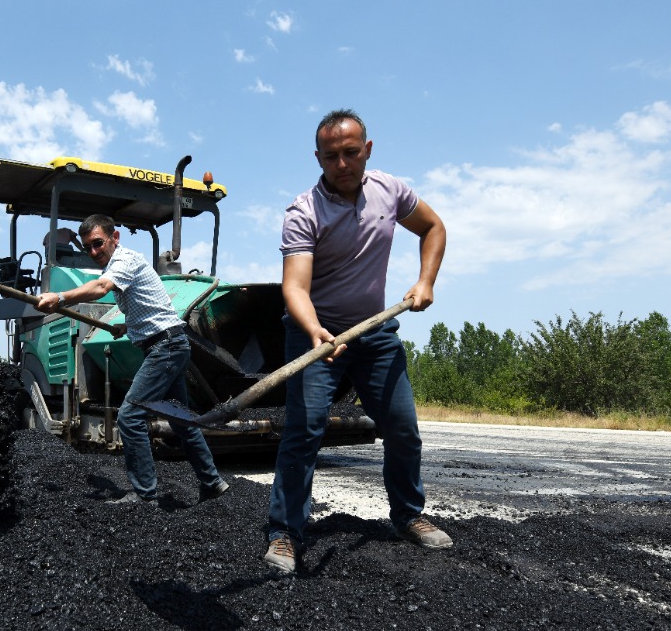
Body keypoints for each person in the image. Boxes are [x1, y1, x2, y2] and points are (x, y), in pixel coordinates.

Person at [263, 109, 450, 574]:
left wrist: (425, 281)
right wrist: (314, 332)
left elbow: (433, 227)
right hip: (316, 335)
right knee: (305, 431)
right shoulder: (304, 211)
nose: (342, 164)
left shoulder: (391, 190)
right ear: (318, 158)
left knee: (402, 428)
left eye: (350, 153)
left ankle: (409, 516)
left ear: (367, 149)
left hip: (376, 331)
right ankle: (285, 530)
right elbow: (294, 288)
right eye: (331, 157)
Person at [35, 215, 229, 505]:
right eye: (87, 247)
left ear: (115, 238)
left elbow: (100, 288)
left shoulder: (124, 261)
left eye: (98, 243)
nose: (93, 252)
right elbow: (151, 306)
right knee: (180, 420)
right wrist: (128, 326)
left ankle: (143, 494)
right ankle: (213, 483)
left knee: (130, 417)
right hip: (168, 343)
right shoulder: (122, 264)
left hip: (165, 346)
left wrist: (59, 297)